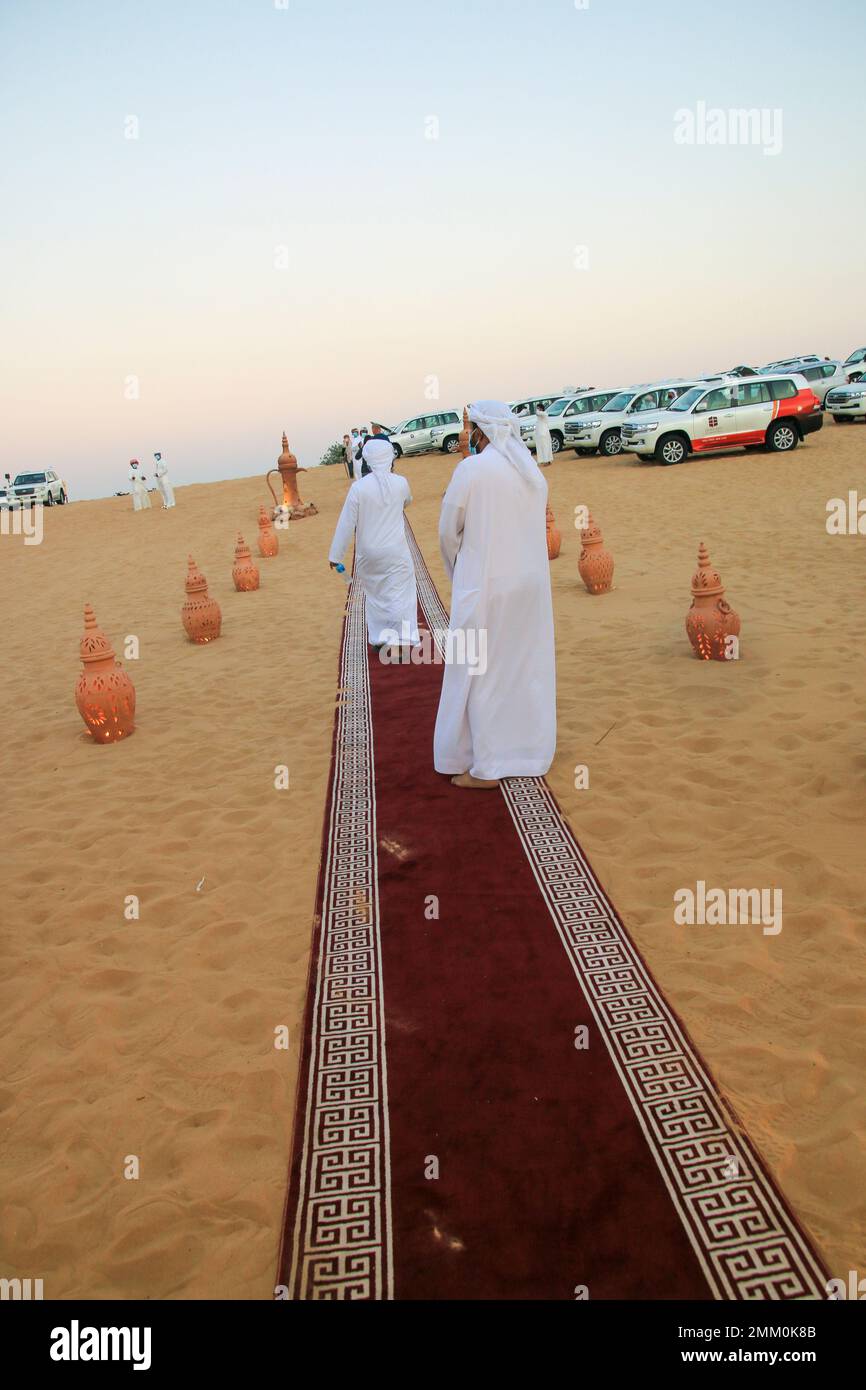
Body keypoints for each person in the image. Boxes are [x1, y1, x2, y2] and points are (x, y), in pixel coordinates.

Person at [434, 400, 555, 789]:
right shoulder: (532, 473)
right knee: (523, 668)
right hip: (529, 586)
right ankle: (528, 753)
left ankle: (486, 767)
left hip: (487, 587)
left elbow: (447, 532)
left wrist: (459, 570)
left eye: (471, 429)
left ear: (482, 433)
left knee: (482, 672)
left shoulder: (472, 469)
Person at [328, 437, 419, 651]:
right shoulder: (401, 483)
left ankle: (380, 638)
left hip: (368, 554)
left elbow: (346, 523)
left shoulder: (358, 488)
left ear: (367, 460)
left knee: (376, 595)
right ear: (390, 458)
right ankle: (401, 641)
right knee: (401, 593)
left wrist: (335, 556)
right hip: (396, 552)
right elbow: (408, 501)